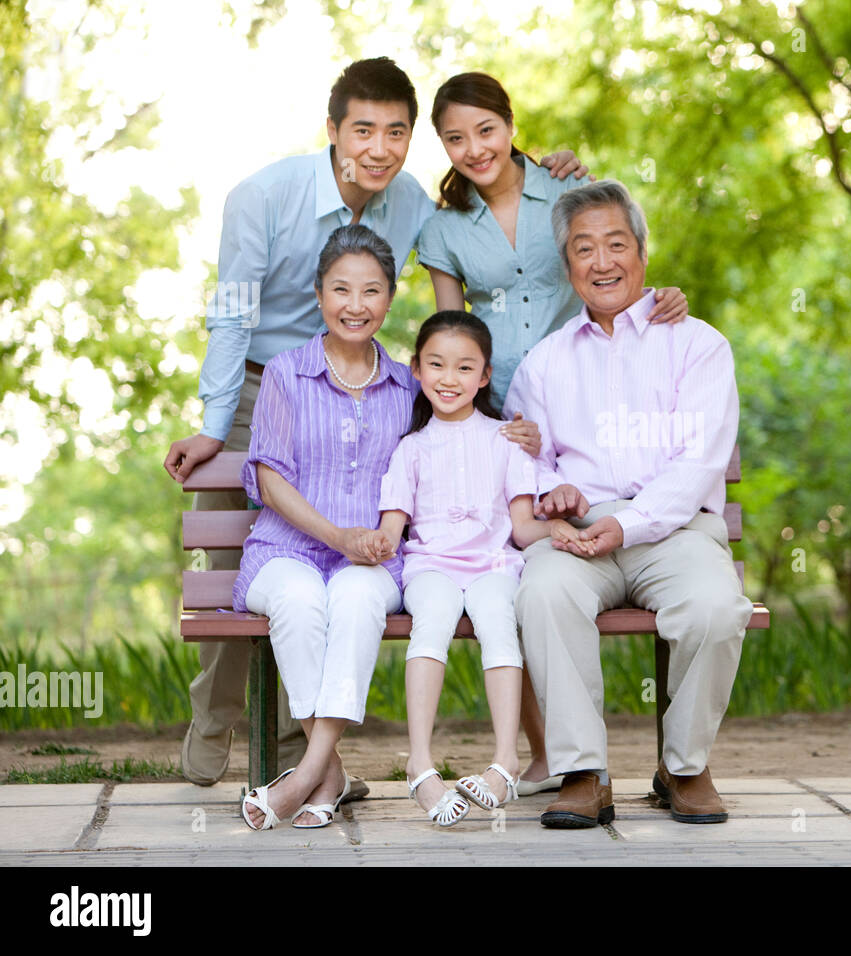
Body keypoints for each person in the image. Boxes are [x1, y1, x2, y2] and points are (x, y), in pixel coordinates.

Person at [161, 57, 586, 789]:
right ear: (332, 131)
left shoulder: (410, 200)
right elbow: (231, 313)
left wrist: (544, 167)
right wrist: (212, 421)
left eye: (397, 132)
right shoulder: (261, 199)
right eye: (363, 130)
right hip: (264, 386)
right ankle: (217, 713)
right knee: (238, 556)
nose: (380, 148)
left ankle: (301, 752)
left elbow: (481, 215)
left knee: (344, 567)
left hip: (364, 386)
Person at [417, 71, 689, 793]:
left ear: (510, 123)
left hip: (581, 404)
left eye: (485, 129)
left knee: (554, 569)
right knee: (516, 574)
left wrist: (666, 297)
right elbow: (452, 329)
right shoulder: (443, 229)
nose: (473, 148)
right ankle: (546, 755)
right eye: (454, 138)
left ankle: (596, 758)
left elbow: (618, 263)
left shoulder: (566, 190)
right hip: (503, 419)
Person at [505, 180, 754, 828]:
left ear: (642, 254)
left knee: (714, 605)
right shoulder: (543, 362)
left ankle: (684, 767)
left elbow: (699, 461)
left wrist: (628, 523)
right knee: (543, 593)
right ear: (568, 269)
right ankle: (583, 772)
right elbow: (524, 452)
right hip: (578, 536)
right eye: (584, 249)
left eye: (616, 243)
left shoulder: (698, 343)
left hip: (673, 530)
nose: (602, 261)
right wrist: (547, 488)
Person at [373, 311, 590, 826]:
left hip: (493, 564)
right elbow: (391, 529)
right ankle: (420, 762)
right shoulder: (411, 448)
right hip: (430, 567)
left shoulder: (505, 440)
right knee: (434, 619)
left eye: (465, 368)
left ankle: (506, 762)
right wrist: (363, 544)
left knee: (498, 621)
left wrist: (560, 531)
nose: (450, 379)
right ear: (417, 370)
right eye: (437, 365)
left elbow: (521, 527)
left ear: (485, 375)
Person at [238, 224, 414, 830]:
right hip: (284, 549)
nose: (355, 305)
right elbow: (268, 478)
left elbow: (456, 436)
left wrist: (514, 432)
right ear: (319, 295)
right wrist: (337, 536)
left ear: (389, 298)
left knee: (358, 598)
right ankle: (327, 772)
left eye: (371, 291)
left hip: (372, 559)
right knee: (299, 598)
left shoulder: (408, 386)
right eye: (341, 290)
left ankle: (311, 771)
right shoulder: (286, 374)